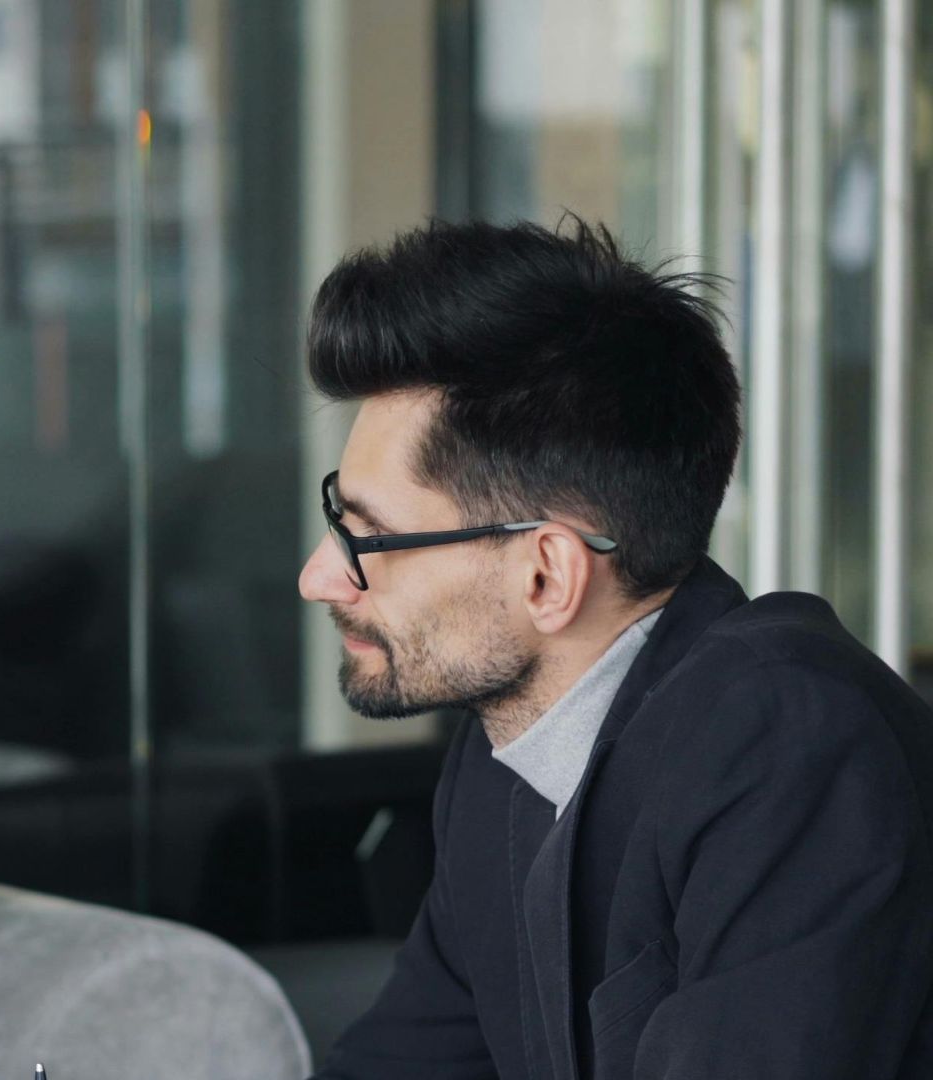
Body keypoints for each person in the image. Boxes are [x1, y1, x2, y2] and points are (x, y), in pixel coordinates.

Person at [299, 219, 933, 1079]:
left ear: (547, 575)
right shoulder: (500, 759)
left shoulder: (790, 743)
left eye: (367, 539)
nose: (319, 577)